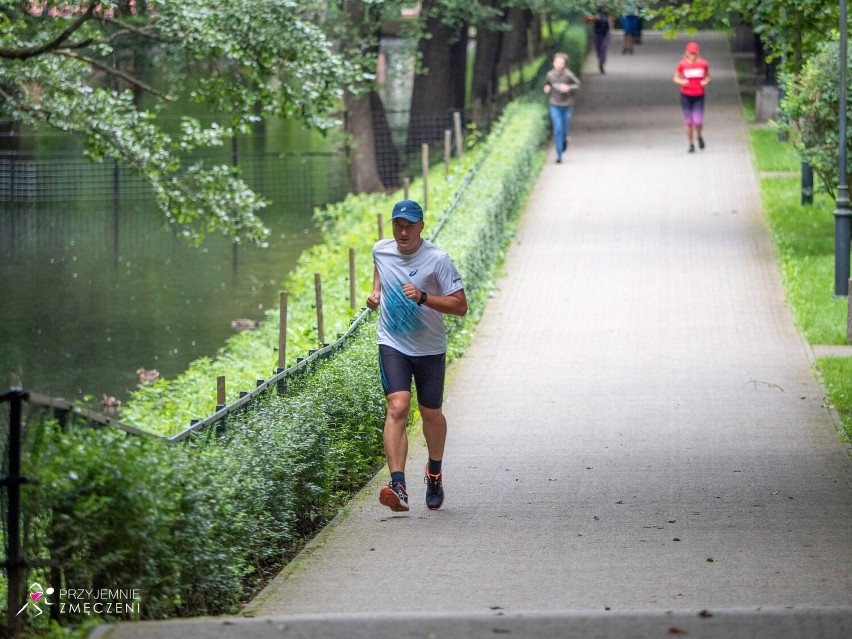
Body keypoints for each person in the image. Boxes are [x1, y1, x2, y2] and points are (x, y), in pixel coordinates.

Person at [367, 199, 468, 513]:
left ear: (421, 226)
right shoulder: (380, 250)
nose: (403, 230)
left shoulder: (438, 260)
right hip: (392, 342)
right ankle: (398, 485)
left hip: (429, 347)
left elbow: (461, 307)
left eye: (410, 224)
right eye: (398, 223)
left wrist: (424, 297)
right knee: (397, 405)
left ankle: (434, 472)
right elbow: (381, 271)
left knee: (431, 414)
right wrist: (375, 293)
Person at [673, 41, 711, 153]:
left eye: (694, 53)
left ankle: (699, 136)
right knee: (689, 121)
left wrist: (706, 82)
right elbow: (675, 77)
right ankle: (691, 144)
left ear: (697, 53)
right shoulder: (682, 64)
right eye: (690, 53)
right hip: (686, 95)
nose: (692, 56)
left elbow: (708, 77)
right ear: (686, 53)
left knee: (698, 121)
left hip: (699, 95)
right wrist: (682, 81)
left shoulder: (703, 64)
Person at [543, 52, 581, 164]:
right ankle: (559, 154)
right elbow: (547, 84)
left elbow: (578, 85)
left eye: (561, 63)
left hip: (566, 105)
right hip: (554, 105)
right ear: (553, 63)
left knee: (564, 130)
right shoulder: (550, 75)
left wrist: (568, 87)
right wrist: (547, 88)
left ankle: (565, 140)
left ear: (564, 64)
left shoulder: (568, 75)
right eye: (557, 62)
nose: (559, 65)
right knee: (557, 129)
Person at [587, 6, 613, 74]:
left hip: (606, 32)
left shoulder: (609, 11)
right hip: (597, 33)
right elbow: (587, 20)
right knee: (599, 50)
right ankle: (600, 62)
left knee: (604, 49)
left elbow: (612, 20)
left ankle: (601, 64)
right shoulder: (594, 12)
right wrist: (594, 18)